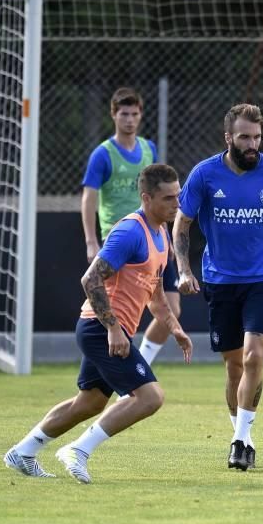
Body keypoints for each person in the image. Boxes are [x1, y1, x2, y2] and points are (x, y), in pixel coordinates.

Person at [4, 164, 193, 483]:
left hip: (107, 330)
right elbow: (90, 279)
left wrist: (175, 328)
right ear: (146, 198)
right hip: (99, 328)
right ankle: (78, 450)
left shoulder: (161, 234)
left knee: (90, 401)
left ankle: (22, 451)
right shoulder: (129, 231)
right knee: (150, 397)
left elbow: (156, 296)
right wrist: (114, 329)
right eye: (169, 198)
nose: (177, 204)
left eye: (179, 196)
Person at [173, 103, 263, 472]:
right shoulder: (204, 175)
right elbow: (181, 226)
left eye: (257, 137)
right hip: (220, 281)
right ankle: (243, 433)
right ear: (229, 137)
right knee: (233, 369)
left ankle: (240, 441)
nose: (252, 144)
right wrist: (183, 269)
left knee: (254, 357)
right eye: (245, 137)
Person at [81, 87, 181, 366]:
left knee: (171, 308)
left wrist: (166, 239)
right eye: (124, 114)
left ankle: (140, 364)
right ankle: (121, 364)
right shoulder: (103, 154)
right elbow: (89, 197)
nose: (129, 120)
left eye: (134, 114)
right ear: (113, 115)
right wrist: (91, 240)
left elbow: (163, 197)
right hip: (122, 238)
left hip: (153, 237)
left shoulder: (149, 148)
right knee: (121, 307)